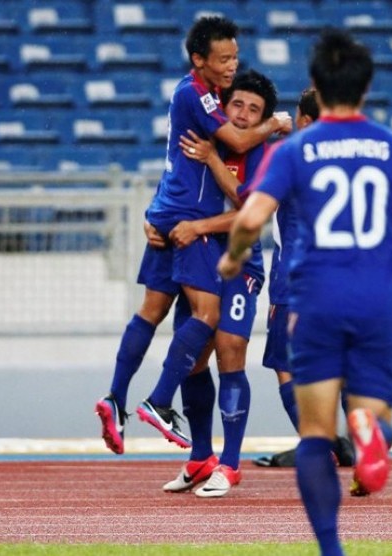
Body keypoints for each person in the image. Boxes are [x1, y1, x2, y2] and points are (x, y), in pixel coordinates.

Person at [218, 28, 392, 556]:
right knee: (377, 415)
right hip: (379, 300)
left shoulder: (293, 150)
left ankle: (332, 549)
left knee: (314, 434)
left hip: (314, 300)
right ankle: (368, 427)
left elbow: (252, 216)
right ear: (367, 86)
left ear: (315, 84)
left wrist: (235, 255)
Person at [94, 15, 292, 455]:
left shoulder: (215, 107)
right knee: (204, 323)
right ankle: (160, 404)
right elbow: (238, 162)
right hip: (194, 228)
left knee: (156, 314)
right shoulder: (200, 97)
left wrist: (156, 212)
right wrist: (275, 122)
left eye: (236, 58)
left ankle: (118, 399)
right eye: (223, 59)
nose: (231, 66)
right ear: (199, 60)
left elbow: (242, 197)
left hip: (182, 221)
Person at [150, 69, 277, 497]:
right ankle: (201, 456)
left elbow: (248, 208)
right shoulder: (203, 136)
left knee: (230, 352)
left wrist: (212, 167)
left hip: (241, 263)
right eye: (237, 104)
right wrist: (158, 224)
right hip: (198, 259)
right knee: (195, 356)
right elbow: (173, 188)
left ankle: (231, 464)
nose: (242, 115)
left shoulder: (261, 151)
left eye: (253, 110)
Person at [252, 88, 354, 470]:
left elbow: (251, 200)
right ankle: (357, 444)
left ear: (308, 121)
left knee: (287, 366)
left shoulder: (287, 156)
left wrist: (268, 128)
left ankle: (318, 445)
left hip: (294, 277)